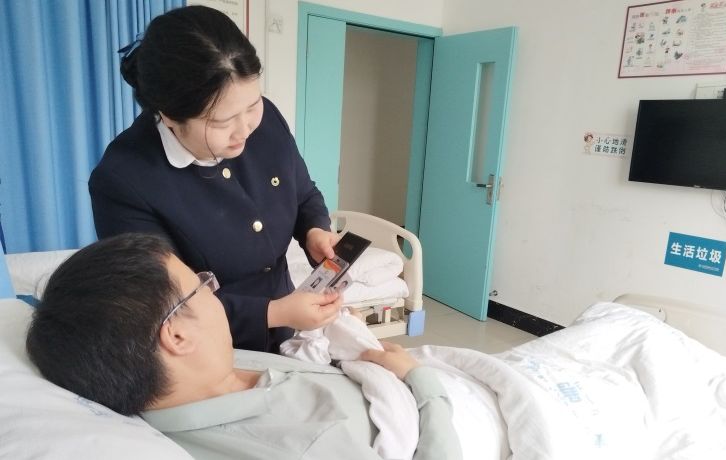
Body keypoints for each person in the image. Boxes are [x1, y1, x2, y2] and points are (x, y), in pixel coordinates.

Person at [25, 233, 462, 460]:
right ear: (176, 336)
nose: (213, 294)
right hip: (439, 410)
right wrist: (421, 382)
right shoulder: (305, 445)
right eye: (201, 286)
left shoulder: (208, 370)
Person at [88, 5, 339, 354]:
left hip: (286, 336)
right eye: (222, 122)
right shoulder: (124, 180)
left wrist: (315, 231)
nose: (245, 129)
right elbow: (167, 302)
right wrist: (275, 312)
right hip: (204, 352)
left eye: (252, 105)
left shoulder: (266, 121)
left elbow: (303, 193)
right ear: (170, 116)